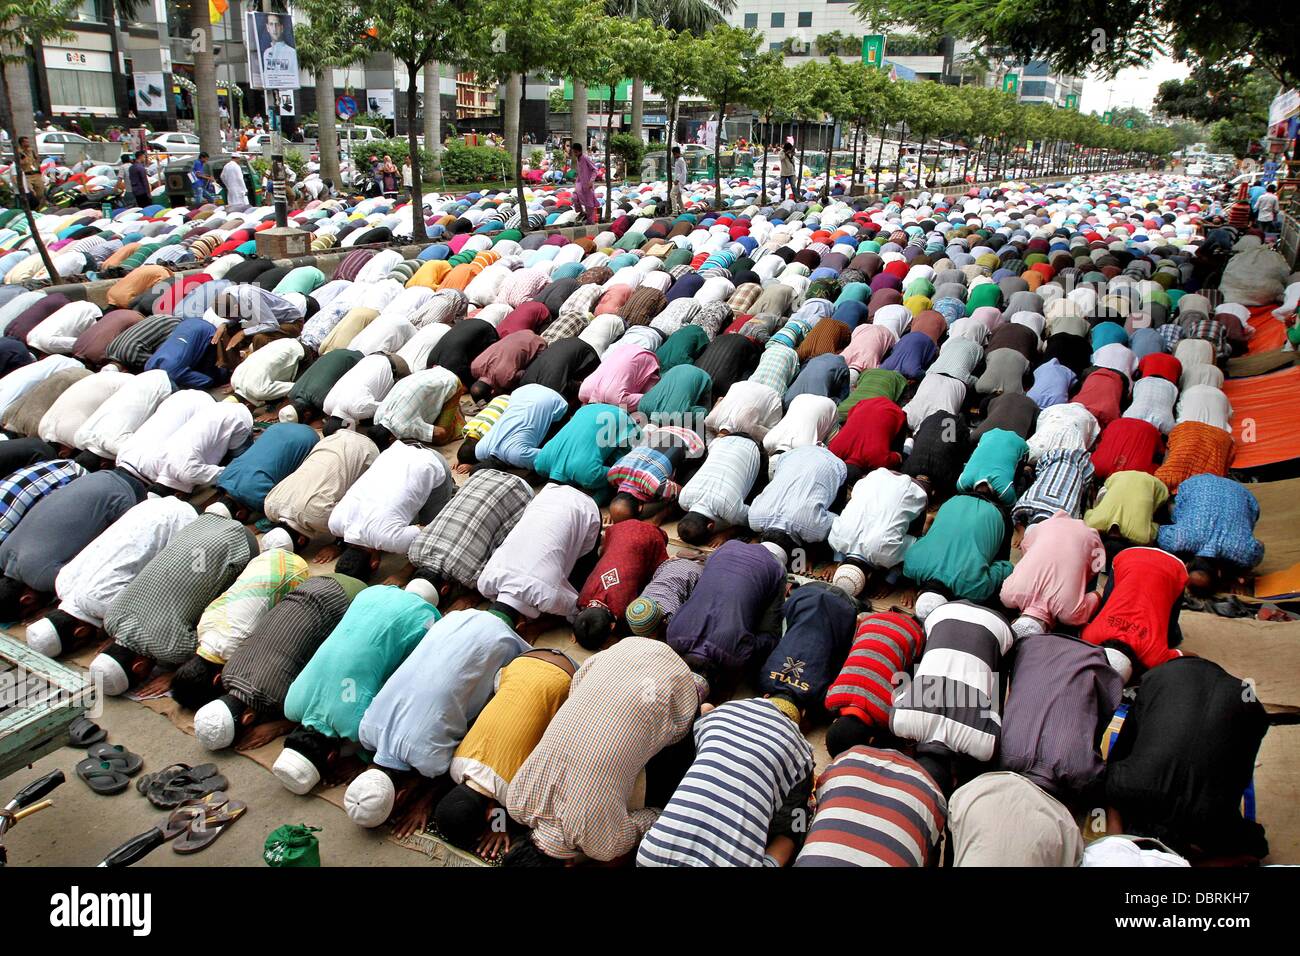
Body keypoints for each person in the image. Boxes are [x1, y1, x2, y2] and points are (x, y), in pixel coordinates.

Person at [503, 637, 702, 866]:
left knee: (673, 777)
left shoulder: (602, 844)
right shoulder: (516, 800)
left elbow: (653, 817)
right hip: (621, 653)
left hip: (674, 681)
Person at [344, 608, 532, 830]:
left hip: (499, 639)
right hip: (453, 620)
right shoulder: (366, 730)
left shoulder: (427, 759)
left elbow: (444, 776)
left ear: (402, 797)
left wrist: (424, 803)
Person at [273, 585, 439, 794]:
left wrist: (362, 760)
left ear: (332, 756)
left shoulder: (354, 726)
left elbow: (373, 743)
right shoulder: (292, 706)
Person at [90, 514, 261, 696]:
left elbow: (211, 651)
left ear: (138, 667)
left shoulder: (171, 650)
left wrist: (176, 675)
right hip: (205, 523)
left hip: (241, 545)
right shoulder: (111, 618)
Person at [637, 696, 814, 867]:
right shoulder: (803, 753)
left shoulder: (724, 711)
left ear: (765, 696)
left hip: (654, 855)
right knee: (796, 824)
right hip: (655, 852)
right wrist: (800, 824)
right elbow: (793, 824)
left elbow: (705, 711)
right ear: (802, 717)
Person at [434, 646, 576, 858]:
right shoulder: (457, 765)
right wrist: (496, 824)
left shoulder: (513, 793)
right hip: (523, 661)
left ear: (490, 814)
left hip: (568, 677)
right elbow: (494, 801)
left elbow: (501, 805)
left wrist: (500, 827)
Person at [407, 468, 534, 607]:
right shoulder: (415, 550)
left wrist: (471, 598)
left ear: (445, 589)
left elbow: (492, 586)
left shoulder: (470, 576)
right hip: (482, 476)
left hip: (520, 491)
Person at [476, 483, 601, 623]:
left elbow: (575, 610)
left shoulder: (548, 597)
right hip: (546, 497)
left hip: (585, 509)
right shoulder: (484, 582)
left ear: (521, 625)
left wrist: (540, 625)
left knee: (583, 573)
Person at [572, 519, 669, 650]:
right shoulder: (583, 599)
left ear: (613, 626)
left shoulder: (623, 610)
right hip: (618, 529)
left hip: (650, 536)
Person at [571, 142, 598, 224]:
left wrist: (591, 181)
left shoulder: (585, 158)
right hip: (580, 184)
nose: (575, 154)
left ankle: (590, 222)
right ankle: (581, 212)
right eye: (574, 152)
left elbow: (595, 170)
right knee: (574, 197)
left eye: (576, 152)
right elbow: (580, 172)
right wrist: (576, 182)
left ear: (579, 151)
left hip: (588, 185)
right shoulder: (578, 159)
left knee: (589, 205)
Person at [16, 137, 44, 208]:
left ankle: (39, 207)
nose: (27, 144)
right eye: (25, 142)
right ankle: (32, 207)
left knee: (40, 192)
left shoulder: (31, 151)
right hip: (27, 175)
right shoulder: (19, 152)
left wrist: (39, 170)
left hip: (36, 173)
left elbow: (36, 160)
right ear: (21, 143)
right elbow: (19, 163)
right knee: (31, 192)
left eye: (28, 142)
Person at [670, 146, 687, 214]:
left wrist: (677, 180)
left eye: (674, 154)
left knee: (672, 194)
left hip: (679, 182)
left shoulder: (681, 160)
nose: (674, 156)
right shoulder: (678, 160)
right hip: (678, 181)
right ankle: (683, 211)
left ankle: (674, 211)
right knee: (679, 198)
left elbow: (684, 172)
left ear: (677, 153)